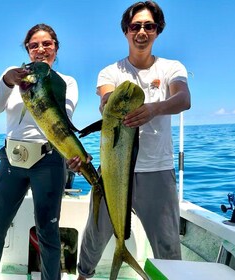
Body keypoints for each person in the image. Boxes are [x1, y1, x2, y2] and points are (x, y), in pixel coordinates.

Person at [67, 1, 191, 279]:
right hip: (112, 171)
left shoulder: (171, 67)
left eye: (149, 26)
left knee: (168, 247)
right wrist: (111, 105)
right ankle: (83, 276)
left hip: (157, 170)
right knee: (95, 236)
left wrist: (153, 109)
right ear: (126, 31)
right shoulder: (110, 71)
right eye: (136, 26)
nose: (142, 31)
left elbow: (183, 98)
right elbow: (106, 100)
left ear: (158, 31)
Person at [0, 23, 78, 280]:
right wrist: (7, 81)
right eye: (34, 45)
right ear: (27, 50)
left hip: (48, 159)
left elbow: (62, 118)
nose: (40, 49)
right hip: (12, 160)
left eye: (47, 44)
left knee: (48, 232)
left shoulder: (66, 81)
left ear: (56, 48)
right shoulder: (13, 74)